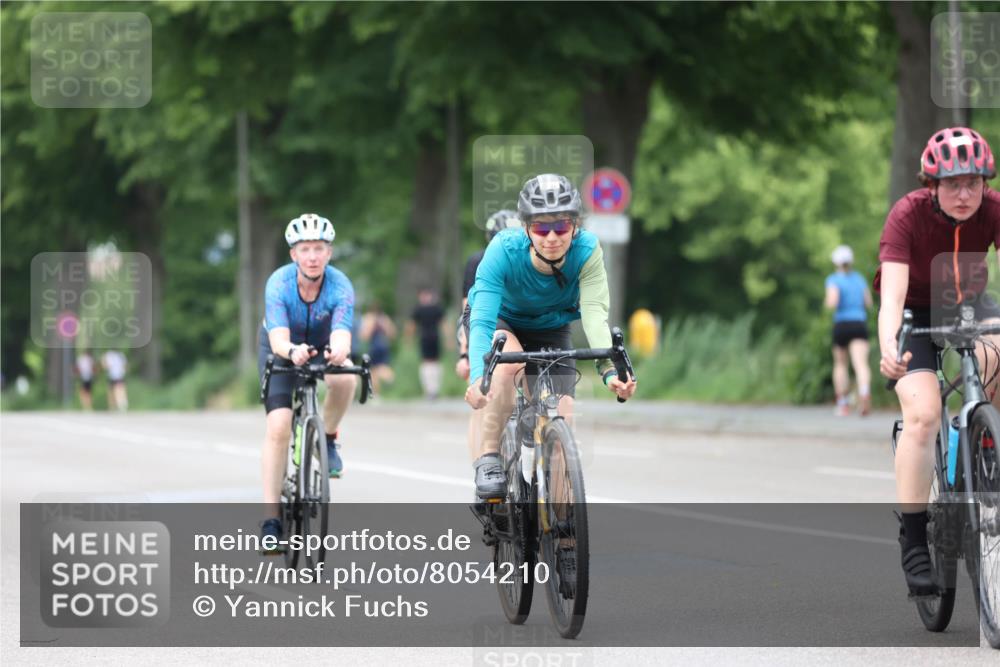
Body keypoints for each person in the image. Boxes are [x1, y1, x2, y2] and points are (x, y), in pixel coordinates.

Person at [876, 127, 1000, 599]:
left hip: (971, 306)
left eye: (974, 183)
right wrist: (890, 348)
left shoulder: (994, 209)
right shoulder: (907, 214)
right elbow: (892, 298)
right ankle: (913, 539)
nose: (965, 194)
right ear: (932, 185)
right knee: (924, 415)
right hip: (916, 312)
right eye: (953, 184)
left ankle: (984, 444)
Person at [258, 213, 356, 551]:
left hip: (321, 343)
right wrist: (291, 350)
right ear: (293, 254)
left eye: (318, 248)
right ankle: (271, 521)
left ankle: (327, 438)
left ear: (329, 253)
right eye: (305, 249)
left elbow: (342, 334)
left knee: (346, 377)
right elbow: (278, 339)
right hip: (282, 347)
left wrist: (339, 351)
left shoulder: (340, 285)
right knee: (279, 427)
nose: (312, 256)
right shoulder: (279, 283)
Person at [456, 209, 523, 381]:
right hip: (489, 318)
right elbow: (468, 308)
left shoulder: (527, 260)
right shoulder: (477, 261)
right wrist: (465, 353)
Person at [825, 245, 873, 416]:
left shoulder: (833, 279)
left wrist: (828, 304)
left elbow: (832, 302)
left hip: (842, 323)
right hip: (859, 322)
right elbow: (868, 302)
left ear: (836, 262)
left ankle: (843, 404)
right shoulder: (859, 279)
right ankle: (864, 393)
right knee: (861, 364)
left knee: (840, 364)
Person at [408, 289, 445, 399]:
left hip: (425, 338)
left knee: (428, 363)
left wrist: (409, 338)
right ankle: (433, 389)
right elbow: (444, 324)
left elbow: (412, 325)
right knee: (433, 363)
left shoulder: (419, 309)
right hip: (433, 337)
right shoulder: (436, 308)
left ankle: (430, 390)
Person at [360, 301, 397, 394]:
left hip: (374, 346)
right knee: (379, 368)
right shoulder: (384, 318)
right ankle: (384, 386)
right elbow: (392, 334)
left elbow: (364, 336)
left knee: (374, 370)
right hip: (384, 345)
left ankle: (378, 391)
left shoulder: (368, 318)